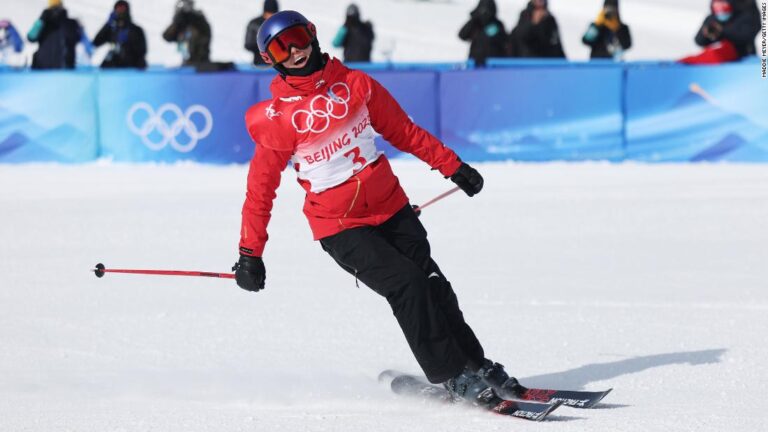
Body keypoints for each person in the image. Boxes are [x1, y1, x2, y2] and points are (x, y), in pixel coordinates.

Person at [233, 10, 522, 405]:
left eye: (298, 38)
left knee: (433, 282)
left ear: (313, 35)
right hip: (340, 226)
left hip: (392, 205)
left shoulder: (356, 85)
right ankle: (451, 375)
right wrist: (250, 254)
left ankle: (474, 363)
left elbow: (403, 131)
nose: (295, 51)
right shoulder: (278, 119)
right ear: (270, 59)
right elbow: (259, 191)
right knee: (408, 284)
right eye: (281, 47)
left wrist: (453, 167)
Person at [680, 0, 761, 64]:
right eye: (716, 5)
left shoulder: (746, 14)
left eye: (723, 4)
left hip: (741, 56)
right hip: (713, 58)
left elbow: (747, 35)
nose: (720, 8)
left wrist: (722, 31)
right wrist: (706, 34)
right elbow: (699, 41)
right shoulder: (712, 18)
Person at [27, 0, 93, 69]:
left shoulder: (44, 25)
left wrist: (41, 20)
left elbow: (31, 37)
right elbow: (31, 37)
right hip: (60, 70)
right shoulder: (71, 24)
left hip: (46, 69)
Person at [93, 1, 147, 69]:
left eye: (122, 9)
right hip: (114, 64)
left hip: (132, 65)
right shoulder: (112, 29)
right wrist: (107, 25)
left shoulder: (136, 30)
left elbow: (142, 51)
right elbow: (96, 42)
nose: (120, 11)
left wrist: (127, 44)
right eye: (118, 9)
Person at [458, 0, 507, 67]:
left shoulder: (497, 25)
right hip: (474, 64)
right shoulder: (475, 23)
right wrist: (474, 18)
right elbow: (462, 35)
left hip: (491, 66)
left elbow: (504, 42)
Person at [162, 0, 211, 66]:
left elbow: (205, 35)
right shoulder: (181, 24)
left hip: (200, 63)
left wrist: (195, 18)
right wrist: (176, 22)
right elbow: (167, 36)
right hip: (185, 64)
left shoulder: (200, 22)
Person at [245, 0, 279, 66]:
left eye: (274, 13)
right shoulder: (254, 23)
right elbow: (248, 44)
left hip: (279, 64)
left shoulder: (279, 23)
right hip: (260, 64)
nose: (271, 15)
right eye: (269, 13)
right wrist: (265, 46)